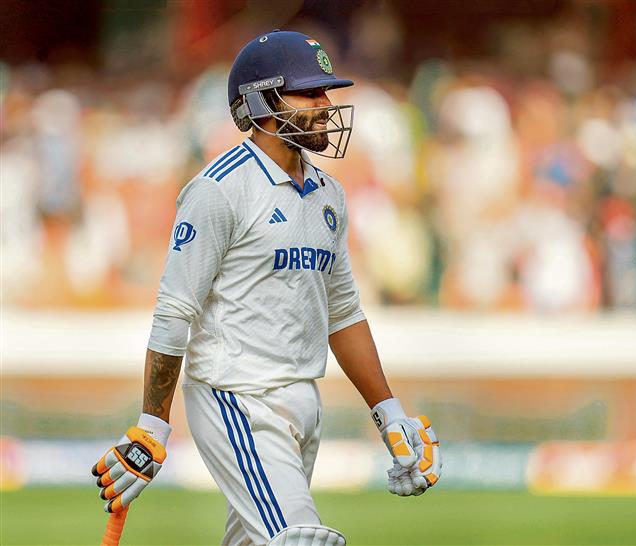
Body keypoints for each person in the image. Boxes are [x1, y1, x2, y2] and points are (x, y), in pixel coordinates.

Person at [91, 30, 441, 546]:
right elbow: (174, 311)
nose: (326, 105)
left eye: (326, 93)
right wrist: (153, 424)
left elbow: (343, 313)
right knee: (300, 540)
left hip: (303, 402)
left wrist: (388, 413)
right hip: (237, 399)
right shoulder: (218, 190)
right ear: (261, 103)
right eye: (310, 93)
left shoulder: (328, 194)